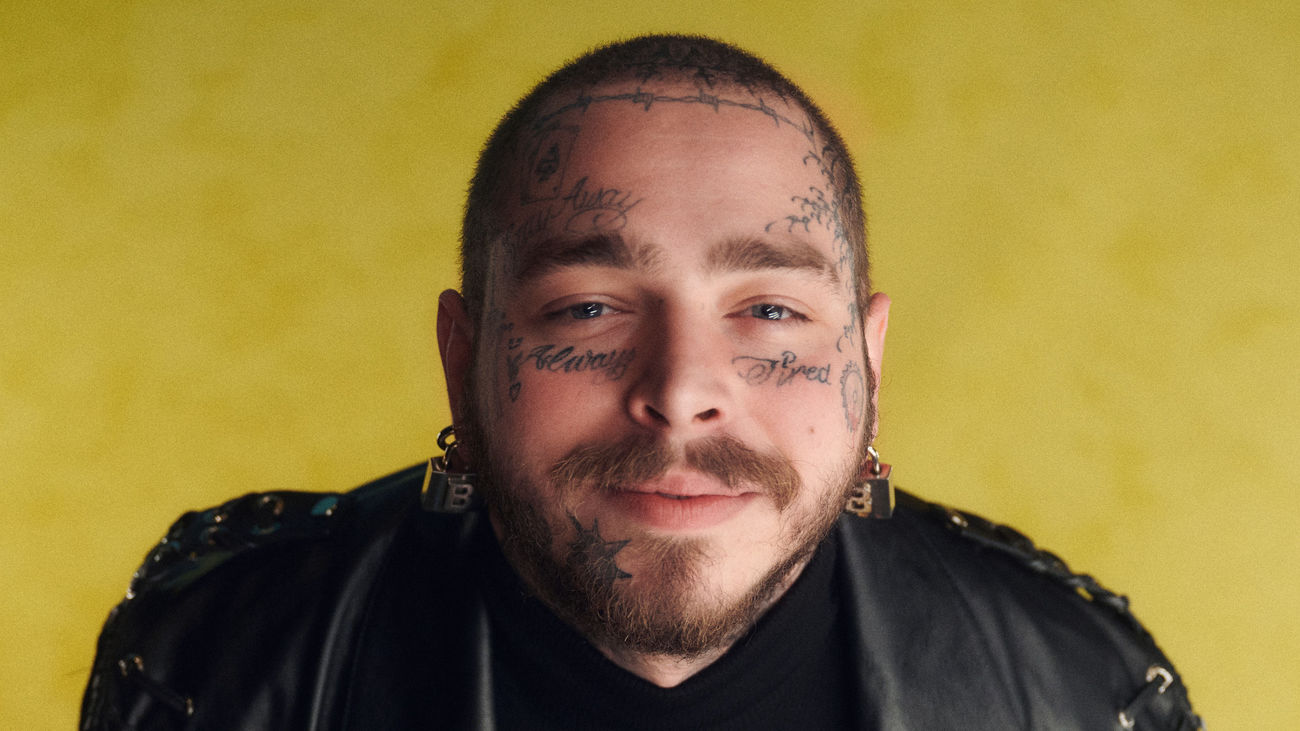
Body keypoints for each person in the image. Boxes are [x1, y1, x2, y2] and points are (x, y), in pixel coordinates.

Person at [82, 34, 1202, 730]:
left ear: (867, 362)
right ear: (463, 360)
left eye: (770, 310)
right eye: (589, 309)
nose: (681, 391)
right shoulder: (213, 669)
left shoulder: (1082, 692)